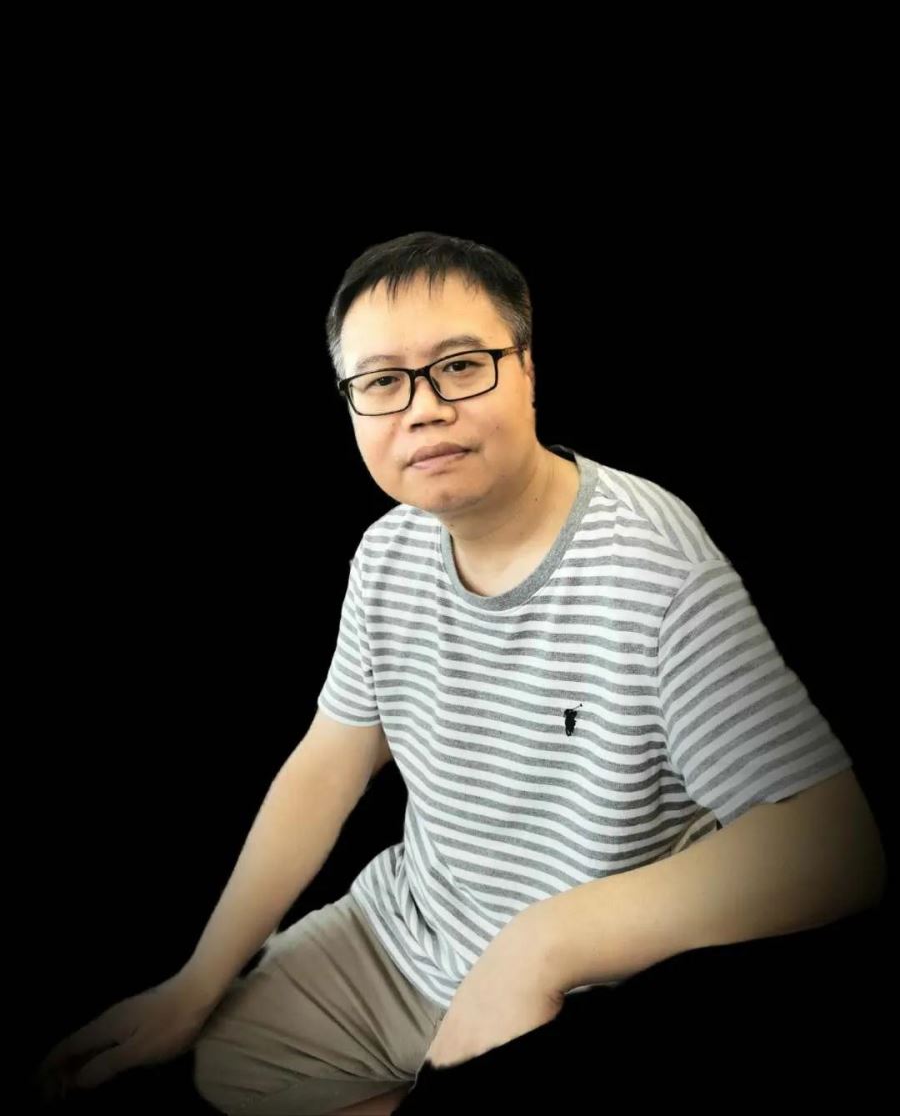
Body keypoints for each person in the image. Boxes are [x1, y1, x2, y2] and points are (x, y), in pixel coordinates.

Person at [34, 232, 887, 1115]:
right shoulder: (388, 554)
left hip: (583, 980)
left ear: (527, 369)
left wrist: (543, 944)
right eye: (382, 382)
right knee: (229, 1065)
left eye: (461, 366)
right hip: (413, 931)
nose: (424, 410)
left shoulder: (653, 568)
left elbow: (834, 849)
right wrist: (196, 980)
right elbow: (327, 767)